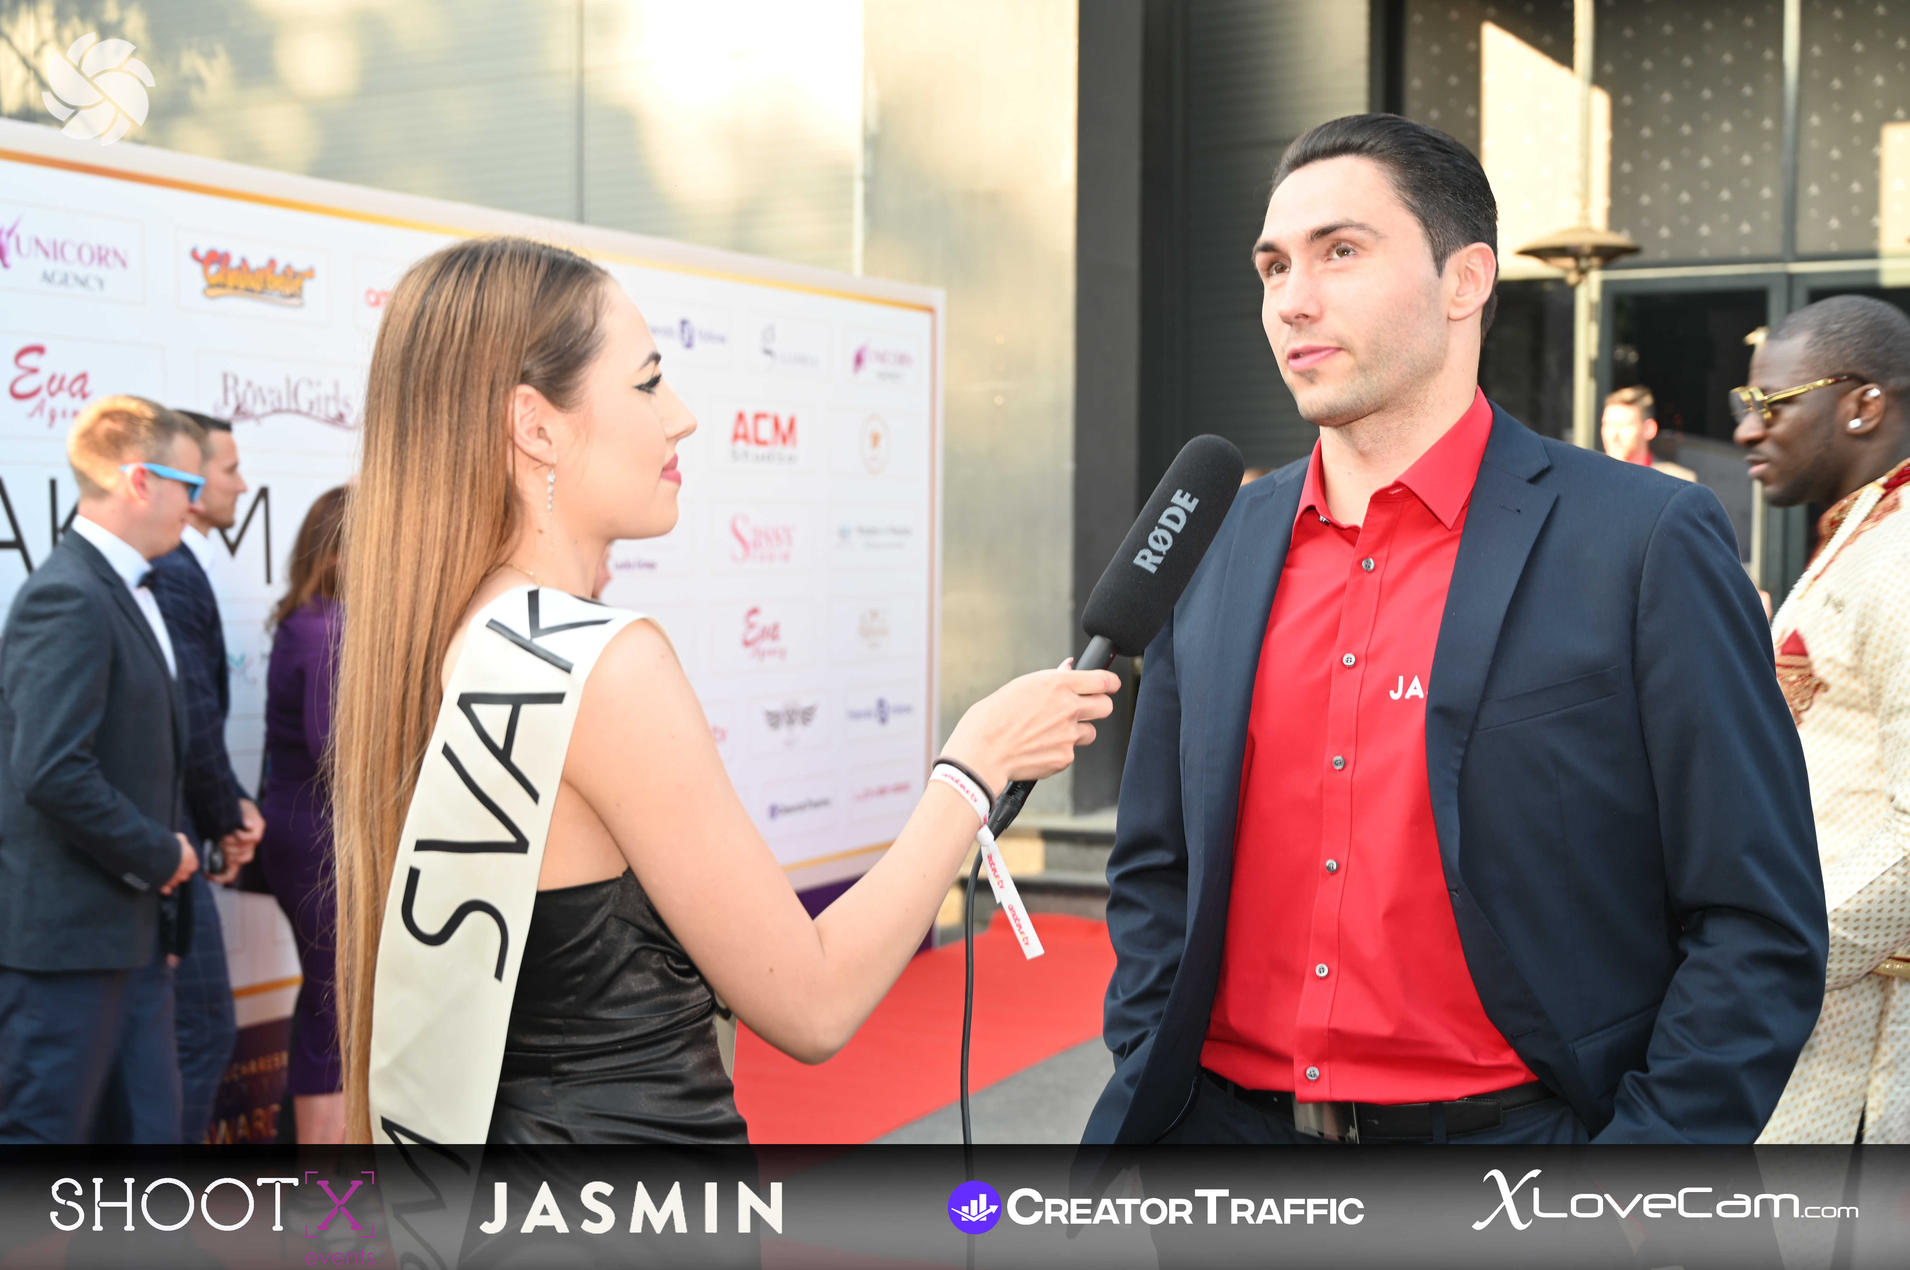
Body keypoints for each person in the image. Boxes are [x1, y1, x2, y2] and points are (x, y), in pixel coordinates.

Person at [1087, 114, 1825, 1147]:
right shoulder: (1214, 542)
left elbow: (1755, 917)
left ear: (1464, 280)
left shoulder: (1642, 539)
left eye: (1340, 252)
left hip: (1514, 1162)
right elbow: (1154, 864)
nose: (1291, 299)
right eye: (1273, 265)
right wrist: (1151, 1071)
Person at [331, 236, 1118, 1144]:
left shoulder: (459, 631)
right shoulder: (605, 667)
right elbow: (813, 1000)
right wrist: (974, 768)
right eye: (647, 383)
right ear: (535, 426)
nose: (683, 417)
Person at [0, 394, 203, 1142]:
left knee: (148, 1133)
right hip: (68, 945)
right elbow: (52, 770)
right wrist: (161, 854)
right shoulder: (68, 595)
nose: (197, 503)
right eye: (187, 484)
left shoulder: (120, 588)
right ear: (139, 480)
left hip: (130, 933)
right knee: (43, 1144)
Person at [1736, 296, 1910, 1144]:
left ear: (1863, 405)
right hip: (1812, 1014)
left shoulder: (1901, 554)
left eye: (1772, 404)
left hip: (1868, 1040)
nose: (1747, 428)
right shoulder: (1863, 534)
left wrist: (1768, 963)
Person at [145, 409, 263, 1143]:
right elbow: (189, 716)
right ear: (187, 484)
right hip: (169, 838)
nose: (241, 486)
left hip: (177, 832)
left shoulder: (177, 569)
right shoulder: (171, 572)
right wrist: (227, 817)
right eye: (228, 470)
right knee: (198, 1031)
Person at [257, 486, 349, 1144]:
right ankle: (326, 1188)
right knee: (333, 1008)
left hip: (313, 836)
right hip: (320, 843)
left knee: (330, 1003)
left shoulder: (314, 620)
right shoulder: (325, 630)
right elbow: (337, 754)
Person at [1601, 384, 1695, 480]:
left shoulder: (1679, 481)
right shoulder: (1592, 473)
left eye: (1623, 425)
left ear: (1648, 429)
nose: (1613, 435)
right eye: (1607, 424)